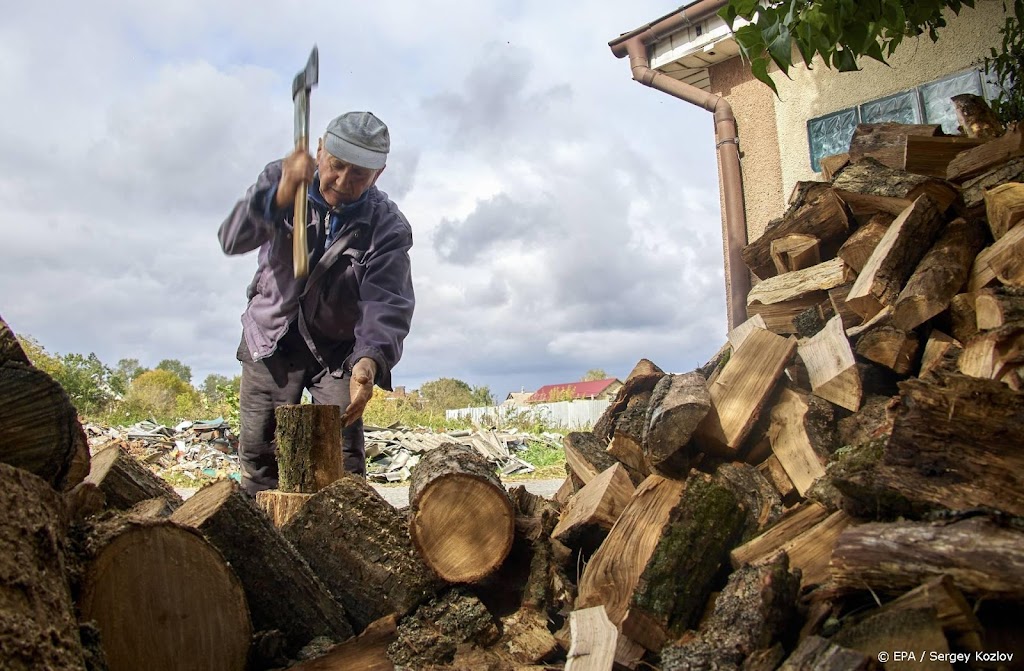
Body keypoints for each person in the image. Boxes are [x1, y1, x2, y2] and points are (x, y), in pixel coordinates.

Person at [219, 111, 414, 496]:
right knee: (259, 455)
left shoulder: (387, 226)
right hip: (271, 339)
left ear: (380, 173)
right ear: (320, 150)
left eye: (359, 174)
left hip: (338, 353)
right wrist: (277, 196)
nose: (342, 181)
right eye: (336, 165)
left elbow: (386, 302)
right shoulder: (281, 178)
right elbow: (233, 239)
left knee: (343, 461)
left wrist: (369, 360)